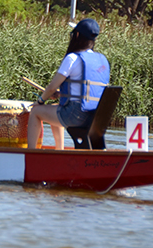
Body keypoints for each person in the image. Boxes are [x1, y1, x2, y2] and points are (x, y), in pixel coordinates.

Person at [27, 18, 110, 150]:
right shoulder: (102, 59)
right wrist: (62, 94)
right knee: (56, 106)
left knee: (36, 112)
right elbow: (86, 89)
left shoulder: (73, 58)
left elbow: (51, 87)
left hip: (76, 115)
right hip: (95, 118)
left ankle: (30, 152)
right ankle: (59, 150)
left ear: (76, 35)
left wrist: (41, 101)